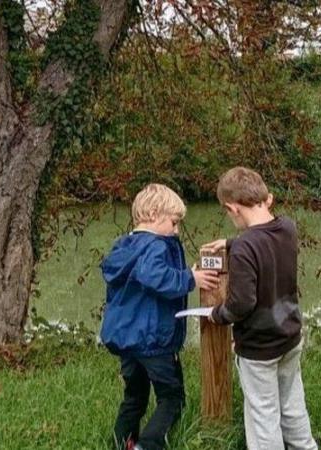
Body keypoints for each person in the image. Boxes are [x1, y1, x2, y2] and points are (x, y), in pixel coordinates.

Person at [203, 167, 318, 450]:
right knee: (292, 404)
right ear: (266, 199)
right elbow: (265, 243)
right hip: (290, 338)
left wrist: (216, 314)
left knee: (263, 416)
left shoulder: (245, 248)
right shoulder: (288, 228)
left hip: (259, 348)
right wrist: (231, 243)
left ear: (232, 208)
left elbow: (241, 304)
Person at [100, 183, 219, 450]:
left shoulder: (124, 246)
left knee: (135, 398)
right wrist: (190, 277)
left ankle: (122, 444)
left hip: (127, 341)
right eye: (174, 222)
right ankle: (148, 445)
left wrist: (182, 274)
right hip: (153, 340)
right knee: (172, 398)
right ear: (154, 214)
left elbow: (147, 275)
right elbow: (154, 276)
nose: (176, 230)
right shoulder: (156, 246)